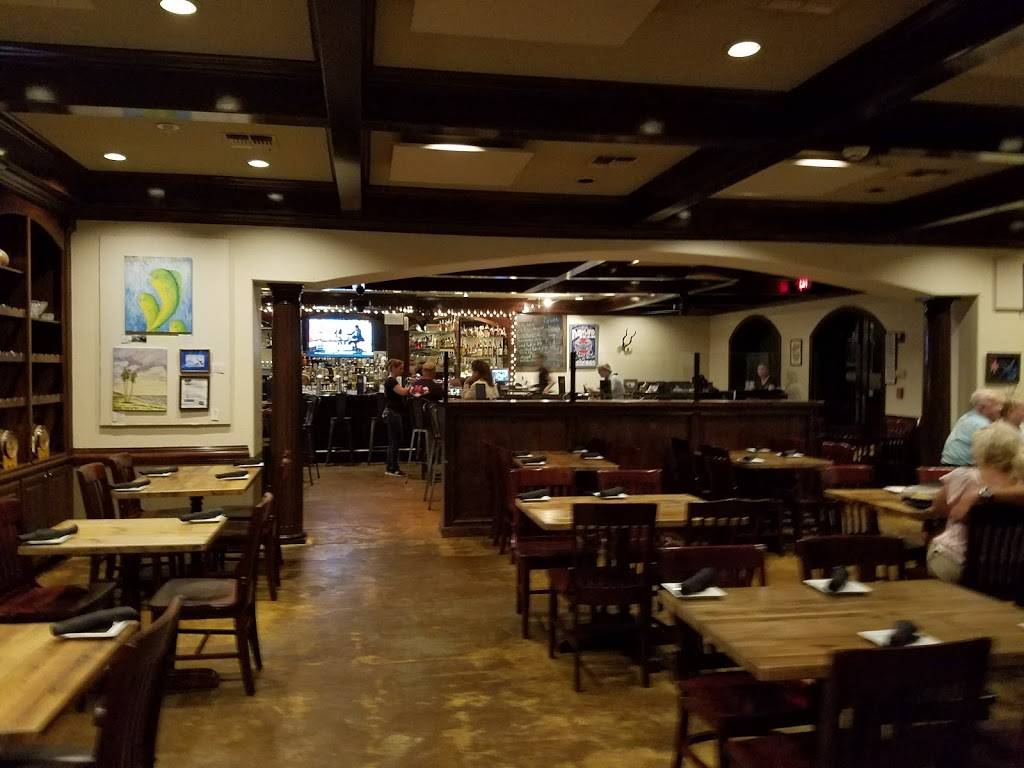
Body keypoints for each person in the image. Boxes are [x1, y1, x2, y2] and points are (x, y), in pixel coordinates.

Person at [927, 421, 1024, 583]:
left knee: (934, 541)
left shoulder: (962, 477)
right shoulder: (1019, 485)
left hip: (956, 563)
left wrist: (979, 495)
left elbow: (937, 510)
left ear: (980, 449)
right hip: (1009, 569)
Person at [941, 388, 1006, 465]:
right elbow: (994, 452)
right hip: (960, 467)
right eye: (996, 405)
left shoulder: (969, 416)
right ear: (981, 407)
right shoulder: (980, 423)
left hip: (953, 465)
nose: (1000, 408)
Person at [382, 358, 411, 477]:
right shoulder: (391, 381)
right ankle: (393, 468)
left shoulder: (391, 380)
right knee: (395, 441)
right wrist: (413, 387)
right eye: (400, 368)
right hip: (393, 413)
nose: (402, 370)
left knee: (394, 441)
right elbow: (403, 392)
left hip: (392, 413)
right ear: (393, 368)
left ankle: (391, 467)